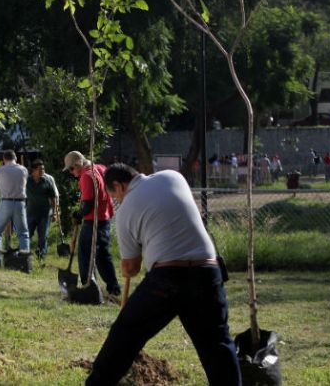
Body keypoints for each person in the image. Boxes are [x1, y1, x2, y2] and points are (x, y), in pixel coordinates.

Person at [84, 163, 241, 385]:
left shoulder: (125, 211)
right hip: (207, 270)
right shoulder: (173, 177)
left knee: (125, 334)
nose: (117, 200)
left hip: (168, 277)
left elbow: (131, 268)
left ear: (118, 186)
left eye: (114, 196)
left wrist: (133, 258)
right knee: (217, 343)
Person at [63, 150, 122, 297]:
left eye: (71, 169)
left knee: (85, 254)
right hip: (104, 219)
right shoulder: (100, 168)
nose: (71, 172)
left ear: (78, 163)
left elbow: (88, 204)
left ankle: (88, 286)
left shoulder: (87, 176)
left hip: (94, 221)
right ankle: (113, 287)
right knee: (102, 255)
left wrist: (79, 214)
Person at [0, 150, 30, 266]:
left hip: (6, 202)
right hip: (20, 203)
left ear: (4, 159)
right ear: (15, 158)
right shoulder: (23, 170)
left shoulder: (0, 170)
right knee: (23, 234)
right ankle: (25, 264)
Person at [26, 159, 59, 260]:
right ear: (33, 170)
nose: (42, 171)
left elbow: (53, 198)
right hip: (30, 214)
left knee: (43, 236)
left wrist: (54, 213)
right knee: (27, 235)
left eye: (43, 169)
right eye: (40, 169)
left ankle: (41, 256)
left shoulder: (47, 181)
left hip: (44, 215)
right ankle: (24, 254)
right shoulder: (27, 181)